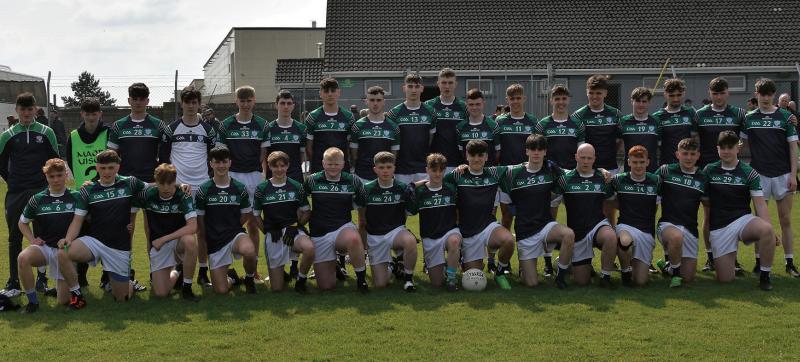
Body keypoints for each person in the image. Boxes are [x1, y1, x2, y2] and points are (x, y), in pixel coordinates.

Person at [61, 150, 147, 301]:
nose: (107, 172)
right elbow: (77, 220)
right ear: (97, 168)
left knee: (122, 298)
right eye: (103, 168)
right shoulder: (88, 190)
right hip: (95, 242)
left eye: (111, 168)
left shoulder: (130, 182)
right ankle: (76, 292)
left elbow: (154, 187)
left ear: (118, 167)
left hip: (118, 247)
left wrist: (180, 185)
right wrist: (68, 239)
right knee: (63, 253)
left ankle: (129, 284)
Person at [0, 92, 59, 298]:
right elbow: (1, 164)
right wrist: (13, 181)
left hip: (41, 191)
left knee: (43, 235)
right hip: (16, 192)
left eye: (29, 109)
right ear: (16, 110)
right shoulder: (7, 135)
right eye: (22, 109)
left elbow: (55, 163)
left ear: (35, 110)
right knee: (14, 237)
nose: (26, 113)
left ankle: (42, 280)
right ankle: (14, 281)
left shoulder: (47, 132)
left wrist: (47, 186)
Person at [499, 134, 575, 288]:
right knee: (531, 283)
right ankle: (505, 268)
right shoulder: (512, 172)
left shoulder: (551, 169)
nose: (536, 152)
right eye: (533, 149)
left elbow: (575, 171)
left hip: (545, 226)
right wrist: (464, 167)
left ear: (545, 152)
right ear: (527, 151)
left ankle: (560, 277)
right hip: (525, 231)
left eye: (540, 149)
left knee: (569, 234)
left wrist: (600, 170)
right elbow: (486, 171)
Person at [704, 131, 776, 290]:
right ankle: (727, 261)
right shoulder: (709, 170)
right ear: (717, 149)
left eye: (730, 147)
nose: (726, 151)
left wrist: (770, 229)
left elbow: (760, 204)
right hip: (720, 227)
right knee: (725, 279)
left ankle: (765, 276)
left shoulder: (749, 172)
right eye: (723, 147)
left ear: (739, 148)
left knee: (766, 230)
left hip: (742, 221)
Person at [741, 79, 798, 276]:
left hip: (783, 175)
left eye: (768, 94)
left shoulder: (785, 116)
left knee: (785, 219)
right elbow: (739, 145)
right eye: (761, 94)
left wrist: (793, 174)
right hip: (759, 175)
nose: (765, 98)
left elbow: (793, 147)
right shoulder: (748, 118)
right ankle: (759, 262)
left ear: (773, 95)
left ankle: (789, 262)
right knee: (760, 223)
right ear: (756, 94)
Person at [17, 158, 86, 313]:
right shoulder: (37, 199)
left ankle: (66, 288)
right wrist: (32, 240)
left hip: (66, 250)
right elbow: (22, 223)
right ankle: (32, 302)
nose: (56, 180)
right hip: (46, 247)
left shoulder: (76, 197)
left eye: (59, 175)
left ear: (66, 175)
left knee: (63, 301)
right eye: (51, 176)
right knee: (23, 258)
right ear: (46, 177)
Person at [693, 77, 747, 272]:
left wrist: (788, 115)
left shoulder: (739, 114)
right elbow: (694, 141)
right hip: (707, 173)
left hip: (732, 172)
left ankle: (733, 258)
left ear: (727, 93)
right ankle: (710, 258)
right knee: (708, 215)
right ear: (710, 94)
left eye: (721, 93)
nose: (718, 97)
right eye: (714, 93)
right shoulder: (700, 115)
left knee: (732, 215)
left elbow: (754, 132)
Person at [217, 85, 269, 283]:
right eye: (242, 101)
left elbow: (263, 154)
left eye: (249, 100)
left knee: (254, 223)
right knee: (230, 219)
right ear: (236, 102)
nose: (246, 104)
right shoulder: (226, 125)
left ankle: (252, 269)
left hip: (254, 176)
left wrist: (260, 175)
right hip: (232, 175)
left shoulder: (262, 125)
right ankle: (227, 268)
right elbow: (221, 154)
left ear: (254, 101)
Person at [447, 140, 514, 290]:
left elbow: (522, 167)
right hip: (467, 232)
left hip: (488, 226)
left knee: (508, 240)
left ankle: (500, 272)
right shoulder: (457, 175)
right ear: (466, 156)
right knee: (474, 279)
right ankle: (465, 259)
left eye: (480, 155)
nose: (476, 159)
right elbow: (435, 182)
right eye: (472, 155)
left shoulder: (494, 173)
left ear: (486, 157)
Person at [303, 147, 369, 292]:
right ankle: (335, 266)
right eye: (329, 164)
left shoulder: (352, 180)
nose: (333, 167)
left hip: (342, 226)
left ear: (343, 164)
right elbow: (301, 201)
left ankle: (361, 280)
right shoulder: (313, 180)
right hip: (319, 231)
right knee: (326, 286)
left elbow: (362, 200)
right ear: (323, 163)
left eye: (337, 164)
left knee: (354, 239)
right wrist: (300, 223)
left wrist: (362, 221)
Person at [195, 146, 258, 294]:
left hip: (234, 235)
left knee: (249, 251)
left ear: (230, 162)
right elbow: (200, 220)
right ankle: (233, 278)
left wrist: (232, 227)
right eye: (217, 162)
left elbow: (246, 214)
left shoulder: (239, 188)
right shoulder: (203, 190)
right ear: (211, 164)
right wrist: (209, 237)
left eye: (224, 162)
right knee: (221, 290)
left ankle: (249, 278)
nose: (221, 166)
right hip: (215, 241)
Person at [553, 143, 618, 287]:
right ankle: (564, 262)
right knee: (581, 281)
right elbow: (553, 202)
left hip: (597, 225)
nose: (586, 161)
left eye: (589, 158)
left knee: (611, 237)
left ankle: (605, 277)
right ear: (576, 157)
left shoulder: (602, 177)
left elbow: (611, 201)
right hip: (578, 232)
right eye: (582, 157)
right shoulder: (565, 179)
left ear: (594, 159)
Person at [134, 164, 199, 301]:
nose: (166, 188)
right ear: (155, 182)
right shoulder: (147, 195)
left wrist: (164, 239)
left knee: (190, 240)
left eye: (170, 183)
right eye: (162, 183)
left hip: (177, 243)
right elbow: (127, 200)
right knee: (161, 293)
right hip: (158, 246)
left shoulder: (183, 195)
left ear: (175, 181)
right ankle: (177, 270)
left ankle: (187, 288)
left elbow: (193, 227)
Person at [252, 151, 316, 293]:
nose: (279, 169)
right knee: (277, 288)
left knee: (309, 248)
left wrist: (296, 226)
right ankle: (282, 274)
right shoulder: (262, 189)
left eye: (282, 165)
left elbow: (307, 211)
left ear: (288, 166)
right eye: (275, 166)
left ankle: (301, 280)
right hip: (274, 233)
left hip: (292, 231)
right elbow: (256, 215)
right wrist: (267, 230)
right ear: (269, 166)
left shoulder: (296, 186)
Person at [64, 97, 110, 287]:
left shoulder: (108, 132)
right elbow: (71, 163)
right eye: (87, 113)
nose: (91, 117)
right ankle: (81, 278)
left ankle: (106, 278)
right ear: (81, 114)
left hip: (106, 194)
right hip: (82, 195)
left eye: (95, 113)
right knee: (81, 237)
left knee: (108, 236)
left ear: (100, 114)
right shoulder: (73, 136)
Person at [355, 152, 418, 291]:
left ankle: (408, 280)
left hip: (396, 231)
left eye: (389, 167)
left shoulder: (402, 188)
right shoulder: (366, 189)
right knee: (380, 284)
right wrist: (364, 248)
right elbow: (362, 221)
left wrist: (412, 193)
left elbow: (412, 212)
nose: (385, 170)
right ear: (375, 169)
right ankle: (393, 265)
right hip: (375, 237)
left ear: (394, 168)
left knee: (410, 241)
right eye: (381, 167)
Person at [655, 138, 708, 287]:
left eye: (692, 154)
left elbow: (709, 205)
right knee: (676, 237)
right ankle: (675, 277)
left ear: (698, 155)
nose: (689, 157)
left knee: (689, 277)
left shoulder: (703, 178)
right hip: (667, 225)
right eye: (685, 153)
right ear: (677, 154)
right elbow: (650, 193)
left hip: (690, 229)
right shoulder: (665, 171)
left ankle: (668, 267)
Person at [571, 75, 622, 226]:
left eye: (598, 93)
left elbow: (619, 140)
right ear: (587, 92)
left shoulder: (615, 114)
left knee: (609, 208)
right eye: (591, 93)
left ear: (605, 93)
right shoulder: (578, 115)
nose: (595, 96)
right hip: (587, 169)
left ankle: (610, 242)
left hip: (610, 167)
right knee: (587, 208)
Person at [408, 153, 461, 291]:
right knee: (437, 283)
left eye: (441, 170)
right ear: (427, 170)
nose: (438, 174)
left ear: (445, 170)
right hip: (430, 237)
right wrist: (416, 184)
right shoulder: (420, 191)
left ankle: (451, 279)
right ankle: (442, 266)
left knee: (454, 241)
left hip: (450, 231)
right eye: (434, 170)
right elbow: (408, 197)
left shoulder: (451, 188)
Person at [611, 146, 660, 287]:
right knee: (625, 241)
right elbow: (608, 199)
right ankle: (625, 271)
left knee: (640, 281)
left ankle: (635, 264)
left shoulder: (656, 181)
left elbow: (656, 206)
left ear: (648, 162)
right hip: (626, 225)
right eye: (635, 162)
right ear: (628, 162)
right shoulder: (618, 180)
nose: (638, 165)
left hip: (646, 231)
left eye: (641, 162)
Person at [107, 83, 169, 183]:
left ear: (147, 101)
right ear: (129, 100)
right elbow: (111, 155)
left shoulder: (159, 125)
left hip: (151, 180)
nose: (138, 102)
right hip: (125, 180)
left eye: (142, 99)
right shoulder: (118, 125)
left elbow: (165, 154)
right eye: (135, 99)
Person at [160, 86, 216, 196]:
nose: (190, 106)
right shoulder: (171, 129)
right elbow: (163, 157)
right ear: (181, 104)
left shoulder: (208, 130)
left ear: (199, 104)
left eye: (194, 102)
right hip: (178, 186)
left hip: (203, 185)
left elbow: (213, 158)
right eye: (187, 102)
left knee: (201, 214)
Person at [387, 73, 438, 184]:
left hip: (423, 167)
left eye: (417, 86)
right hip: (401, 169)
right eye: (410, 86)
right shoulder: (394, 113)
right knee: (404, 200)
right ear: (404, 88)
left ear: (422, 88)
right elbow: (391, 142)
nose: (413, 90)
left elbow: (430, 139)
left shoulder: (431, 112)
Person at [349, 86, 400, 181]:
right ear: (366, 101)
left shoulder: (393, 127)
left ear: (384, 101)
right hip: (362, 176)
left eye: (379, 100)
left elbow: (393, 157)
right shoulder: (357, 126)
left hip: (385, 178)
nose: (375, 103)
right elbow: (354, 156)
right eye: (372, 100)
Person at [305, 77, 355, 174]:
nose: (330, 94)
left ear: (339, 92)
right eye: (326, 91)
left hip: (342, 169)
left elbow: (351, 146)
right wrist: (315, 163)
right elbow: (309, 147)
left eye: (333, 90)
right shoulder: (312, 117)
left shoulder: (349, 116)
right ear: (320, 93)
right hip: (319, 168)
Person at [426, 68, 467, 172]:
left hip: (458, 164)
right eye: (444, 83)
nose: (447, 86)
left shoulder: (464, 107)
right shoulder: (428, 106)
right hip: (435, 163)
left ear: (456, 84)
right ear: (438, 84)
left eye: (450, 83)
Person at [536, 84, 585, 171]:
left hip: (571, 172)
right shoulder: (542, 125)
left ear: (568, 100)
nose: (561, 102)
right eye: (557, 99)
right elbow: (538, 152)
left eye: (564, 99)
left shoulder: (578, 124)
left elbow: (581, 152)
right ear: (551, 101)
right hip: (549, 172)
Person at [267, 90, 307, 184]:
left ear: (293, 106)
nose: (286, 106)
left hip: (295, 177)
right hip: (273, 177)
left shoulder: (301, 128)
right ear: (276, 105)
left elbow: (301, 156)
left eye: (289, 103)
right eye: (282, 103)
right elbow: (265, 156)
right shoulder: (268, 128)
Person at [653, 78, 697, 166]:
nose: (676, 99)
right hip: (667, 165)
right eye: (672, 95)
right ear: (665, 94)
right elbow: (656, 145)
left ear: (683, 94)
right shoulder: (657, 117)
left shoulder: (690, 112)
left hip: (688, 164)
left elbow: (696, 138)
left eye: (678, 95)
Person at [619, 87, 659, 173]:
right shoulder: (623, 122)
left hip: (652, 172)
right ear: (632, 101)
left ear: (649, 103)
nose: (641, 104)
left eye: (644, 101)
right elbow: (618, 145)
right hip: (629, 172)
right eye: (637, 101)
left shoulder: (656, 121)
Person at [456, 88, 499, 167]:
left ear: (483, 104)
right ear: (467, 105)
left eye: (478, 104)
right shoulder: (460, 127)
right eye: (471, 104)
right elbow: (461, 153)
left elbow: (498, 152)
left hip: (488, 173)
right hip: (467, 174)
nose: (474, 107)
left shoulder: (493, 125)